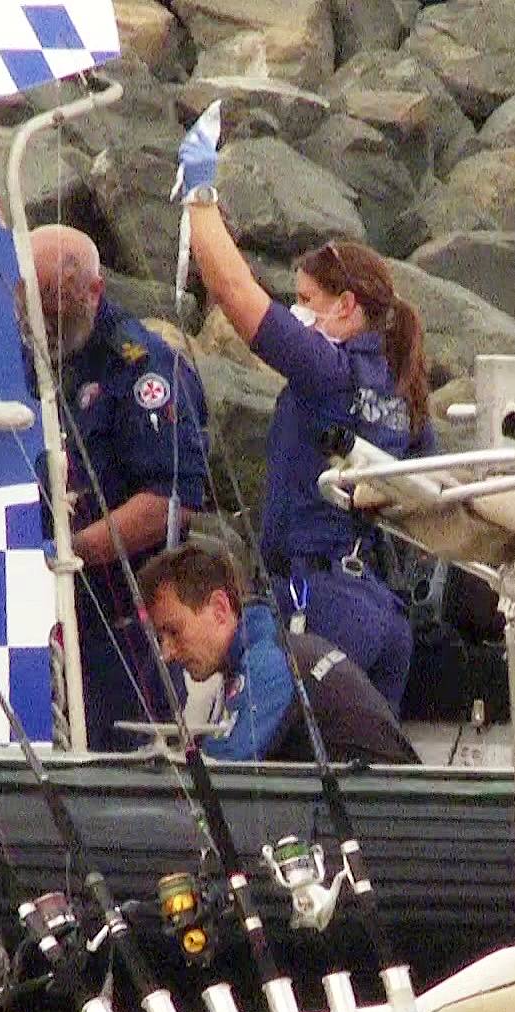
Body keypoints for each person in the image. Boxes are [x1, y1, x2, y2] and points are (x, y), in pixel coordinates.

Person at [174, 120, 435, 711]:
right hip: (382, 611)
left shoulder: (329, 372)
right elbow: (430, 495)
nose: (299, 310)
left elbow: (238, 297)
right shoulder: (402, 392)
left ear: (345, 306)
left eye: (308, 300)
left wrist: (200, 194)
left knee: (300, 759)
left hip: (321, 602)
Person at [29, 223, 211, 751]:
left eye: (53, 304)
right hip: (45, 609)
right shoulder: (33, 355)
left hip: (121, 616)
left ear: (92, 291)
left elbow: (168, 503)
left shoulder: (142, 367)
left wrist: (71, 550)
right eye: (31, 302)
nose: (40, 319)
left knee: (127, 757)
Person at [138, 541, 418, 764]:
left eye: (173, 631)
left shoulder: (269, 663)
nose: (167, 653)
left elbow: (224, 770)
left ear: (220, 609)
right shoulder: (278, 648)